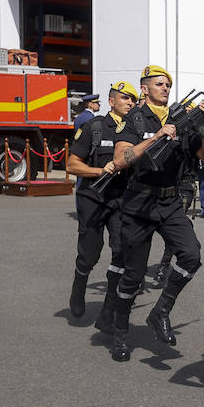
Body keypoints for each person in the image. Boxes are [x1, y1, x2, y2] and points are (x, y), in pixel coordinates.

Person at [104, 65, 204, 362]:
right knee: (133, 275)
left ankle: (161, 310)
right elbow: (120, 159)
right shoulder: (134, 119)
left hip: (169, 202)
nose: (165, 88)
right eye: (159, 84)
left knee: (191, 255)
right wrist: (156, 137)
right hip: (139, 202)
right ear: (144, 89)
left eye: (168, 84)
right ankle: (120, 331)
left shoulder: (184, 119)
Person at [65, 81, 137, 324]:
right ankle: (79, 285)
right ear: (111, 101)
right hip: (93, 199)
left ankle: (109, 307)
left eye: (133, 100)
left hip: (121, 201)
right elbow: (72, 164)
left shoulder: (135, 130)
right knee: (90, 253)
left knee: (121, 252)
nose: (130, 103)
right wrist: (99, 171)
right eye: (125, 98)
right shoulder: (94, 127)